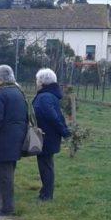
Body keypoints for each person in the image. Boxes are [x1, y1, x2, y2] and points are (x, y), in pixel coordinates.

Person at [0, 65, 28, 216]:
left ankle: (6, 207)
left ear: (1, 79)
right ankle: (3, 204)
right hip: (16, 138)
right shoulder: (18, 91)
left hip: (3, 140)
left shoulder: (1, 94)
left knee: (4, 177)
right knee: (7, 174)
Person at [33, 68, 72, 202]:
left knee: (46, 166)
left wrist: (64, 132)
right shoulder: (49, 95)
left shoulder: (45, 97)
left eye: (38, 80)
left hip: (46, 136)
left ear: (43, 82)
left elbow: (53, 117)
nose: (36, 82)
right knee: (45, 164)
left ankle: (47, 195)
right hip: (48, 135)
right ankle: (45, 192)